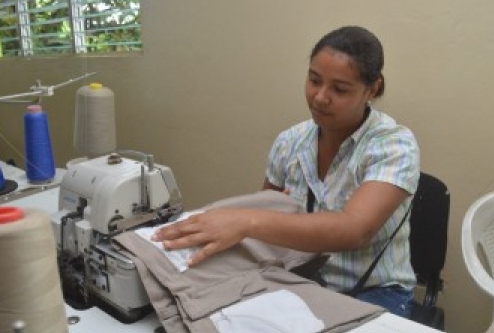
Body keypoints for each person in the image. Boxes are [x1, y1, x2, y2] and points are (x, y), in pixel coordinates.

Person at [152, 25, 420, 317]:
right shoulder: (290, 142)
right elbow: (268, 212)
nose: (319, 97)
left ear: (373, 88)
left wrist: (245, 221)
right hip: (299, 278)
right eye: (314, 80)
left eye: (339, 89)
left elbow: (353, 230)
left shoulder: (394, 145)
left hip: (375, 291)